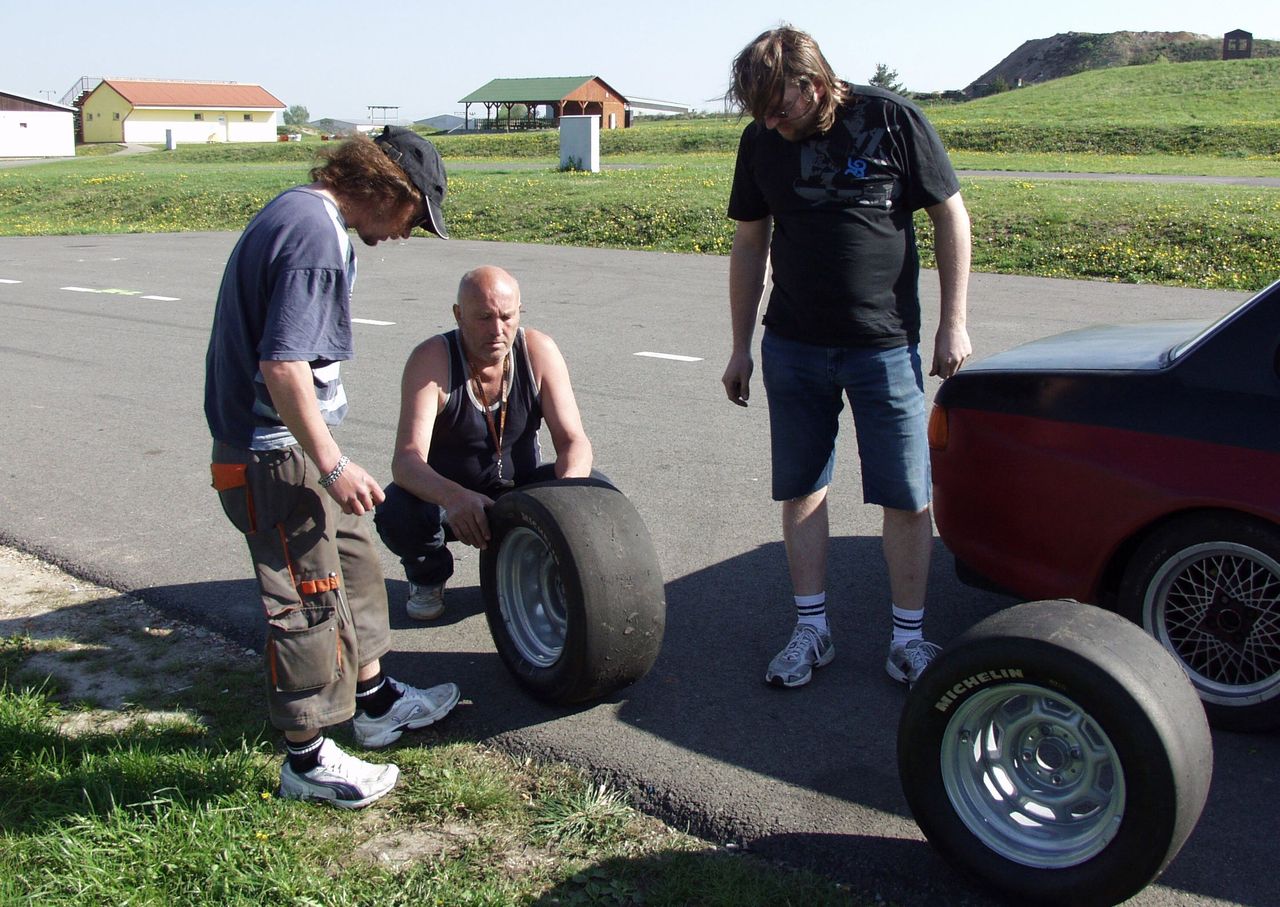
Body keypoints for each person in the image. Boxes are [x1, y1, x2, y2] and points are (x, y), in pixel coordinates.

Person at [205, 126, 460, 809]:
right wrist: (332, 463)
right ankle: (306, 757)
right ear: (388, 188)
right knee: (308, 599)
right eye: (415, 217)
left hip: (287, 448)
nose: (405, 234)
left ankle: (374, 703)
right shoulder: (315, 235)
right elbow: (283, 365)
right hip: (271, 457)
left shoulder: (301, 210)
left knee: (354, 564)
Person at [721, 26, 972, 689]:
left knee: (907, 495)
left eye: (779, 107)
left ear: (813, 83)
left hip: (883, 345)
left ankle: (909, 641)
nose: (770, 123)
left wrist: (953, 323)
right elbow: (750, 244)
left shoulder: (891, 119)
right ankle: (812, 630)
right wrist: (739, 346)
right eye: (760, 113)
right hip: (793, 344)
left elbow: (951, 215)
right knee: (802, 488)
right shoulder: (760, 140)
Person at [374, 265, 593, 619]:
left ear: (519, 312)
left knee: (596, 489)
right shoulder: (431, 360)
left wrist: (567, 496)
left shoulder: (538, 350)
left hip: (520, 492)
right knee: (396, 510)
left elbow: (574, 441)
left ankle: (550, 572)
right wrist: (453, 497)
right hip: (450, 503)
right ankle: (428, 575)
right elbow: (406, 461)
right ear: (458, 315)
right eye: (484, 318)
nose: (497, 330)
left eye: (506, 317)